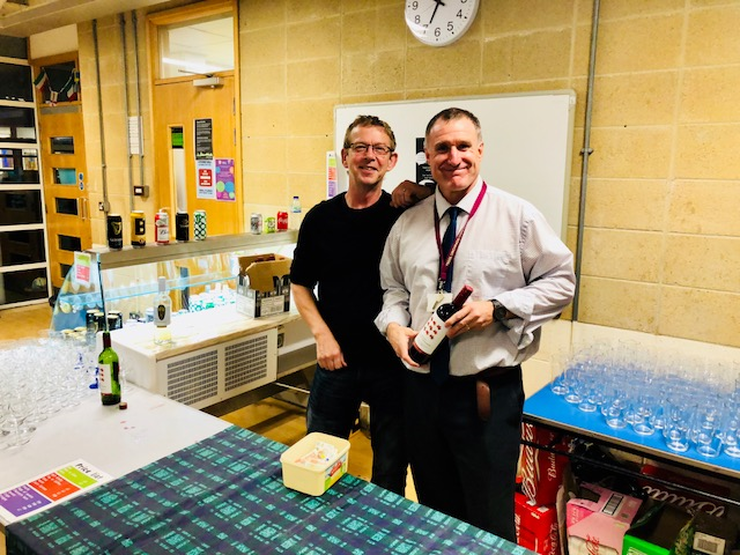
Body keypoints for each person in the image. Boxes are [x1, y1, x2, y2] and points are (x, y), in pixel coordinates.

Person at [374, 107, 576, 539]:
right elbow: (393, 290)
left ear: (480, 151)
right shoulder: (407, 223)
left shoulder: (517, 217)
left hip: (486, 397)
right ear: (427, 157)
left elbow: (562, 283)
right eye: (442, 148)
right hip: (421, 392)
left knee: (488, 521)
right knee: (434, 511)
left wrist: (497, 307)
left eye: (463, 146)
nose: (454, 157)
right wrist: (393, 327)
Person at [290, 115, 409, 495]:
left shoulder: (405, 217)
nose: (369, 156)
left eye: (379, 149)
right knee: (319, 460)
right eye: (360, 147)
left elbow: (449, 193)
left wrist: (420, 190)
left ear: (391, 160)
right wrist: (322, 337)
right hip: (336, 360)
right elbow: (300, 283)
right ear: (345, 157)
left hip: (393, 364)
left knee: (390, 470)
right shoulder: (320, 219)